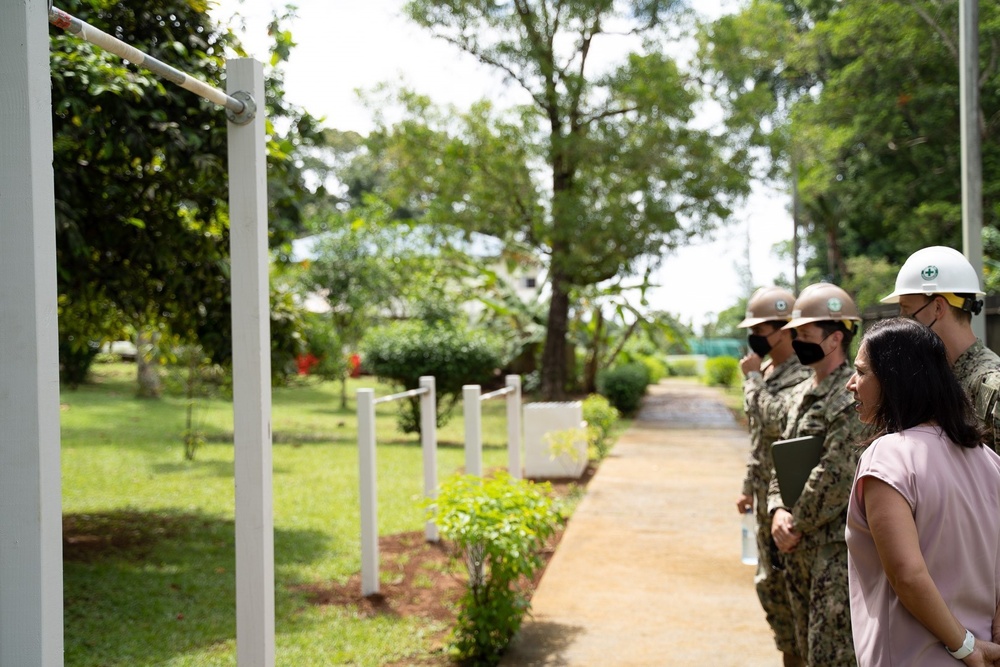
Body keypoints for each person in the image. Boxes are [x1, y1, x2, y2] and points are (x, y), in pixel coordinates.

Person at [845, 317, 1000, 666]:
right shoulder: (988, 460)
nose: (851, 384)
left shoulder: (887, 457)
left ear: (894, 379)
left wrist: (964, 646)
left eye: (862, 372)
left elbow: (907, 574)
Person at [767, 282, 866, 666]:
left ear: (835, 338)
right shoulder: (801, 391)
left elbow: (836, 475)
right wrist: (777, 509)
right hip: (797, 546)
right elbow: (781, 454)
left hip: (832, 552)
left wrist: (795, 522)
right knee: (802, 649)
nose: (797, 344)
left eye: (806, 336)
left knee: (832, 656)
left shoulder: (849, 396)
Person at [736, 286, 813, 667]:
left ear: (784, 330)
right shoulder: (766, 369)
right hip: (765, 498)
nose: (754, 338)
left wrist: (751, 381)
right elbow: (757, 438)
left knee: (793, 599)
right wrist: (749, 485)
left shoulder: (802, 374)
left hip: (790, 505)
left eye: (761, 330)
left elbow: (775, 419)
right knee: (772, 592)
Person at [881, 245, 1000, 450]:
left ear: (937, 308)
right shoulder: (932, 379)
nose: (902, 322)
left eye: (907, 312)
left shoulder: (992, 386)